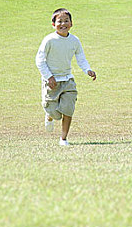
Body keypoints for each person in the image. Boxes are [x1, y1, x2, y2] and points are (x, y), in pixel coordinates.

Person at [35, 8, 96, 146]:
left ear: (71, 23)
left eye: (66, 21)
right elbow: (39, 60)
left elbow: (80, 57)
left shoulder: (74, 40)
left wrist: (88, 70)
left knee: (68, 109)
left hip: (68, 80)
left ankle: (63, 139)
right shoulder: (49, 40)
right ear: (53, 24)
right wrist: (49, 77)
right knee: (55, 113)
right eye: (59, 21)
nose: (63, 24)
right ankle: (49, 115)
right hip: (52, 82)